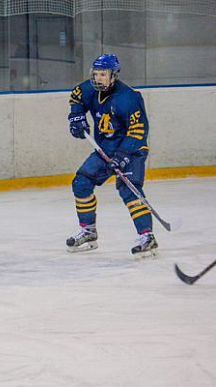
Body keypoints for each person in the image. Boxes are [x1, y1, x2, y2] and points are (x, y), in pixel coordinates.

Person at [66, 53, 157, 257]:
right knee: (81, 183)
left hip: (132, 150)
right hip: (105, 149)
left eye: (103, 74)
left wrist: (124, 155)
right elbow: (76, 96)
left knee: (128, 190)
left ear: (113, 75)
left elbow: (139, 131)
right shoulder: (89, 89)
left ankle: (146, 235)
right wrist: (76, 117)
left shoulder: (129, 98)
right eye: (96, 74)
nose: (98, 78)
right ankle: (88, 231)